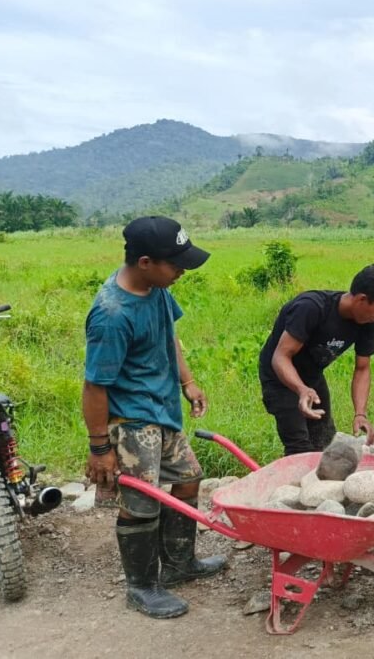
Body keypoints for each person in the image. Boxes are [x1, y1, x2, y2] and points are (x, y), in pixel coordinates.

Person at [83, 216, 226, 619]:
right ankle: (142, 586)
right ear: (145, 261)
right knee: (142, 501)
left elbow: (170, 335)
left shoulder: (157, 288)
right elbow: (94, 386)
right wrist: (100, 448)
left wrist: (188, 380)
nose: (182, 270)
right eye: (175, 263)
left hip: (163, 409)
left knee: (187, 479)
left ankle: (180, 564)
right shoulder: (112, 314)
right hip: (131, 421)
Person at [258, 264, 374, 455]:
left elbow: (362, 368)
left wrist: (360, 413)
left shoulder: (368, 322)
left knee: (324, 440)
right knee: (300, 448)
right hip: (279, 378)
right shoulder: (311, 307)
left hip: (312, 376)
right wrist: (301, 389)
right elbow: (280, 357)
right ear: (361, 299)